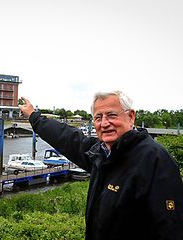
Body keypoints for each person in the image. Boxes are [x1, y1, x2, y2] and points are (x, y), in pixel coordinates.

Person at [19, 91, 183, 240]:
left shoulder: (155, 159)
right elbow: (68, 138)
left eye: (111, 115)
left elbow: (169, 228)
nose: (104, 123)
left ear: (131, 117)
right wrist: (34, 116)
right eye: (98, 118)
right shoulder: (101, 154)